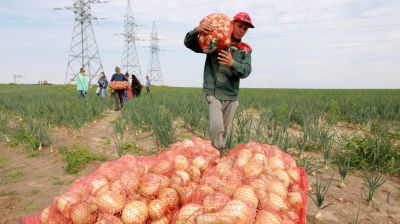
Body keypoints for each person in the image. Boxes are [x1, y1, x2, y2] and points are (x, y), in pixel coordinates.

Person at [184, 12, 254, 151]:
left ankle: (217, 158)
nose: (241, 30)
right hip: (214, 91)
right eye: (239, 26)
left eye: (245, 29)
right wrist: (196, 31)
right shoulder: (215, 41)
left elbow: (246, 71)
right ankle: (216, 158)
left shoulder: (244, 50)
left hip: (231, 95)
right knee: (217, 127)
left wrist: (232, 63)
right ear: (232, 24)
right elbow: (190, 44)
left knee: (224, 131)